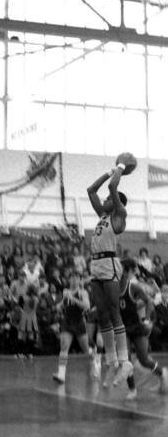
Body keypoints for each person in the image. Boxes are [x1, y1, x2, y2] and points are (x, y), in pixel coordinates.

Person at [87, 161, 133, 388]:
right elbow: (91, 190)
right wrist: (108, 171)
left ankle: (124, 362)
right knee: (102, 314)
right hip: (95, 265)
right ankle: (112, 362)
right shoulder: (103, 215)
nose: (104, 201)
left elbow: (113, 188)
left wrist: (121, 167)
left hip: (109, 263)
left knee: (114, 311)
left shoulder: (119, 215)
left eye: (108, 200)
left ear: (115, 203)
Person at [119, 259, 168, 400]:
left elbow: (149, 302)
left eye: (120, 269)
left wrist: (146, 320)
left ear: (127, 271)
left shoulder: (133, 287)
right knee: (125, 359)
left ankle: (162, 374)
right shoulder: (112, 288)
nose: (117, 271)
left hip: (136, 327)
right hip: (122, 328)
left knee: (144, 359)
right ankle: (132, 389)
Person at [52, 274, 100, 384]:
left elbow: (87, 306)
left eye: (76, 278)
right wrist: (59, 305)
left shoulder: (83, 292)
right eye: (72, 278)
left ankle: (95, 360)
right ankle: (61, 375)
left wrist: (73, 298)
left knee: (86, 349)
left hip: (79, 322)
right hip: (67, 322)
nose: (74, 280)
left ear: (79, 280)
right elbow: (64, 303)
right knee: (64, 346)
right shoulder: (65, 291)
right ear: (69, 280)